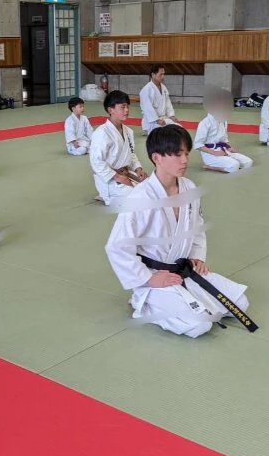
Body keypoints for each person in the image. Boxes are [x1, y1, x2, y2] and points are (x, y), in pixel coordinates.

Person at [105, 124, 251, 338]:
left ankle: (185, 298)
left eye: (186, 153)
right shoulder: (141, 198)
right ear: (157, 157)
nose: (184, 160)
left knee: (240, 303)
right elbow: (116, 246)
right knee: (199, 325)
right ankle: (143, 300)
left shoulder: (189, 188)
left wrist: (196, 257)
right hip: (156, 275)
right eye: (176, 154)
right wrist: (147, 278)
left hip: (184, 270)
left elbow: (197, 227)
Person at [90, 90, 147, 205]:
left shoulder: (128, 131)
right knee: (140, 199)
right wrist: (117, 177)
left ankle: (111, 195)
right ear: (110, 110)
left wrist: (138, 168)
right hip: (111, 179)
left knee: (150, 187)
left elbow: (131, 153)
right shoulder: (102, 133)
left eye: (127, 107)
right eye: (123, 107)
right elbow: (96, 161)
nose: (127, 110)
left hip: (126, 174)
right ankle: (106, 195)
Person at [193, 86, 253, 173]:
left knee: (248, 162)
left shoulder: (223, 120)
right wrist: (214, 153)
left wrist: (230, 147)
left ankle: (225, 165)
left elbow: (224, 139)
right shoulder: (205, 123)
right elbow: (198, 145)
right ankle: (211, 167)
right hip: (210, 154)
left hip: (224, 150)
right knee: (234, 165)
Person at [139, 64, 178, 135]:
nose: (163, 77)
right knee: (168, 134)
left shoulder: (164, 88)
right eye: (161, 74)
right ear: (153, 75)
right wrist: (157, 120)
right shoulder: (146, 90)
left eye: (164, 74)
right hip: (152, 122)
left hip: (164, 119)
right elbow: (147, 108)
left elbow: (168, 103)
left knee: (179, 128)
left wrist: (172, 116)